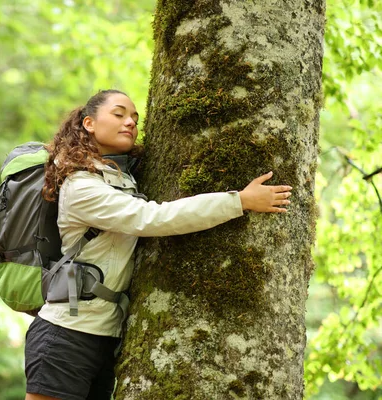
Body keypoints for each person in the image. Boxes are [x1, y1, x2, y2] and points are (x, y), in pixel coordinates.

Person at [24, 89, 292, 400]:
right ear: (89, 123)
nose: (130, 123)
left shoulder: (118, 178)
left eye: (135, 119)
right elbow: (155, 218)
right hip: (65, 336)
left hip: (105, 338)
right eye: (119, 114)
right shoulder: (82, 186)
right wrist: (238, 201)